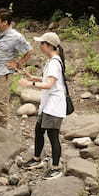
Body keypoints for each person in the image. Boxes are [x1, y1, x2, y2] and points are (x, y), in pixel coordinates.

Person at [19, 32, 67, 179]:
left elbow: (49, 84)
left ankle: (56, 167)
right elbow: (49, 79)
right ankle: (36, 159)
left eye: (42, 43)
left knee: (53, 136)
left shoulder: (54, 62)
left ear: (48, 46)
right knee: (38, 131)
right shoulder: (52, 60)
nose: (40, 46)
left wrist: (30, 84)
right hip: (47, 105)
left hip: (54, 106)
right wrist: (34, 77)